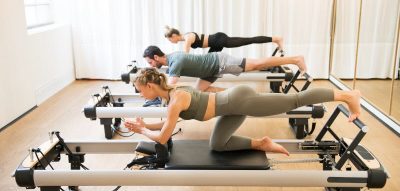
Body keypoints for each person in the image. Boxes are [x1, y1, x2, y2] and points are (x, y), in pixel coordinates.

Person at [124, 68, 362, 159]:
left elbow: (164, 137)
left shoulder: (176, 99)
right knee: (218, 144)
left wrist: (142, 130)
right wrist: (144, 125)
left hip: (240, 101)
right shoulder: (171, 98)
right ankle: (262, 143)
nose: (140, 94)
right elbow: (166, 125)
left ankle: (346, 95)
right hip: (230, 109)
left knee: (294, 100)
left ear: (150, 86)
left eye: (140, 90)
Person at [143, 45, 306, 92]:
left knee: (257, 64)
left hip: (218, 62)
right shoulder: (172, 59)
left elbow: (170, 86)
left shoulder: (175, 61)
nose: (151, 66)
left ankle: (295, 59)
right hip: (209, 71)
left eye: (150, 62)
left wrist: (156, 92)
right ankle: (242, 97)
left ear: (156, 58)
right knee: (200, 91)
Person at [164, 26, 284, 53]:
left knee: (249, 40)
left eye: (170, 40)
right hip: (216, 43)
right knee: (210, 62)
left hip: (218, 40)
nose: (171, 42)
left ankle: (276, 39)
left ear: (173, 36)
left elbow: (185, 55)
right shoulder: (186, 37)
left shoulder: (187, 37)